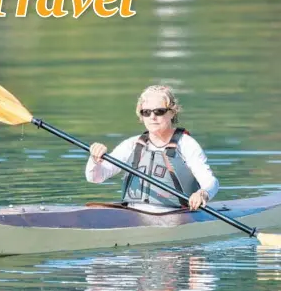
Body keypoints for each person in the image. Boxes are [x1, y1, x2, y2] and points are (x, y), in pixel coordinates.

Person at [85, 85, 219, 212]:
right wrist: (95, 159)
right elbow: (95, 178)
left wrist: (203, 193)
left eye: (159, 111)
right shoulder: (131, 144)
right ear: (141, 116)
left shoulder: (187, 144)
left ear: (172, 113)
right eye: (146, 112)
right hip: (133, 213)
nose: (152, 117)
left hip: (175, 214)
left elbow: (210, 181)